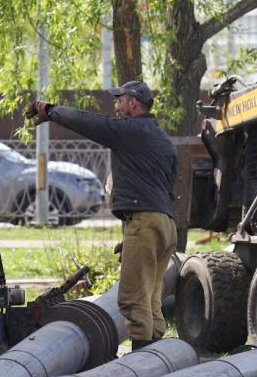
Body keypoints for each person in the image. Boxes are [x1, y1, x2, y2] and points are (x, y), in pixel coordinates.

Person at [28, 80, 177, 350]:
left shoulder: (129, 130)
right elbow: (165, 186)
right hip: (166, 225)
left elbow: (91, 123)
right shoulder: (162, 139)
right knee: (151, 296)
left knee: (132, 299)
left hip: (143, 223)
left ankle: (141, 362)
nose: (117, 104)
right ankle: (159, 357)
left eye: (120, 99)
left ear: (133, 103)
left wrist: (51, 111)